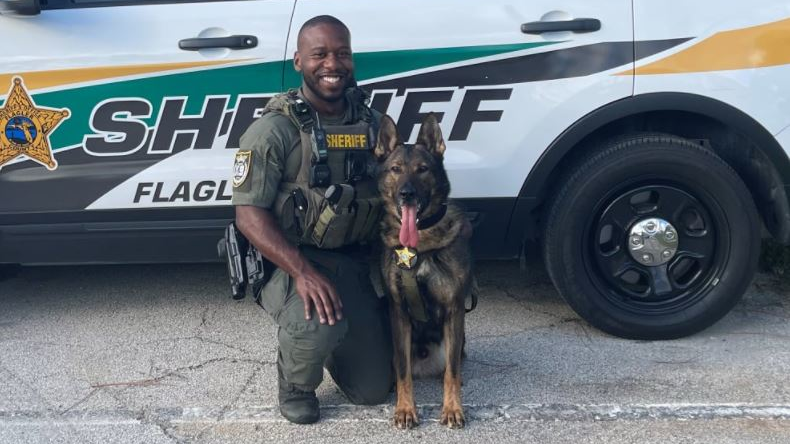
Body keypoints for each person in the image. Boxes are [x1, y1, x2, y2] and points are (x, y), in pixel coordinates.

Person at [231, 15, 393, 424]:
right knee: (315, 326)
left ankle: (340, 334)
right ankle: (296, 381)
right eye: (319, 54)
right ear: (299, 60)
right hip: (290, 260)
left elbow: (401, 187)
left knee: (373, 390)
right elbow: (248, 216)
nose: (332, 64)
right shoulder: (274, 129)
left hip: (351, 260)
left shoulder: (372, 124)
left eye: (341, 54)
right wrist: (302, 272)